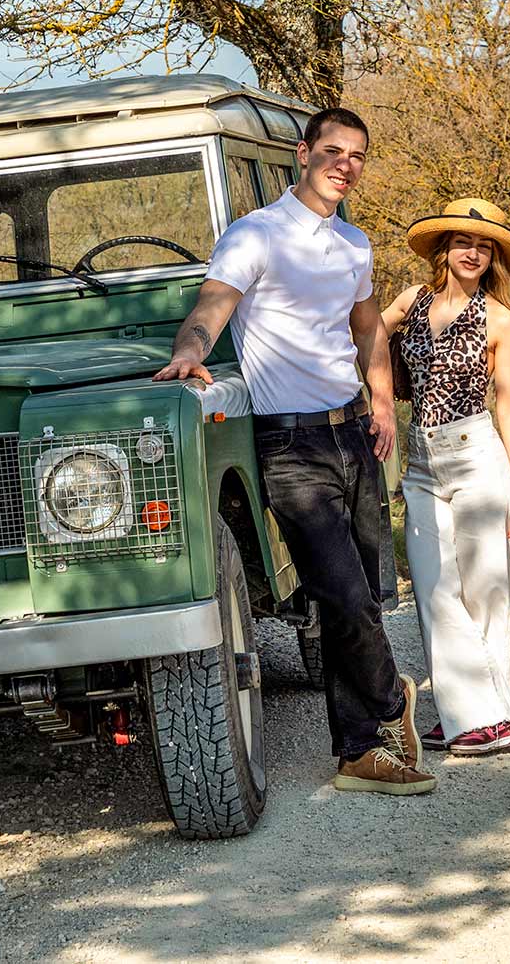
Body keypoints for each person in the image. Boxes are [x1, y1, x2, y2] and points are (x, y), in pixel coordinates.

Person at [154, 107, 435, 797]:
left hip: (354, 434)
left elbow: (367, 327)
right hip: (289, 441)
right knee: (338, 592)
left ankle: (359, 752)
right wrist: (189, 353)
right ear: (303, 153)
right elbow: (211, 307)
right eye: (334, 151)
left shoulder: (355, 245)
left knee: (364, 593)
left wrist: (380, 401)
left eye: (358, 155)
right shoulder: (256, 234)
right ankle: (391, 700)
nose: (346, 164)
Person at [381, 199, 510, 757]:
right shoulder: (411, 302)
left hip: (477, 455)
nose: (474, 252)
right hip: (421, 462)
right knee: (432, 586)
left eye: (485, 245)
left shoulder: (501, 319)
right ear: (443, 250)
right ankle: (470, 710)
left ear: (492, 256)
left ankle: (487, 718)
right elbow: (366, 332)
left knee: (486, 588)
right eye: (463, 242)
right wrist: (380, 384)